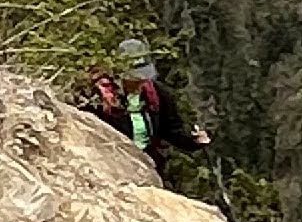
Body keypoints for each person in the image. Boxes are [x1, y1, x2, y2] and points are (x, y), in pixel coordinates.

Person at [81, 41, 213, 161]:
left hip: (145, 160)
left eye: (143, 78)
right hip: (111, 159)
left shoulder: (156, 93)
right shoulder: (100, 97)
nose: (141, 83)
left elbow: (171, 130)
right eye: (135, 79)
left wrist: (193, 141)